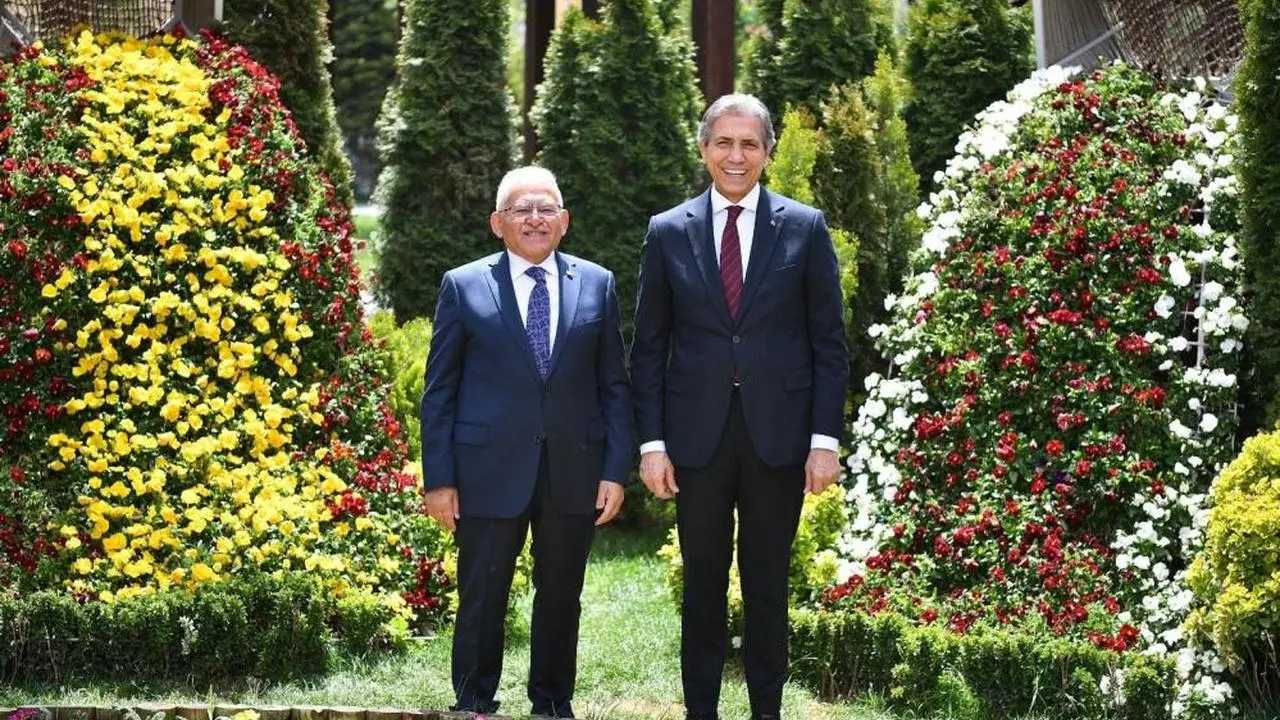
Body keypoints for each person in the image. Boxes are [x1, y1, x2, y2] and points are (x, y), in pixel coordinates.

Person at [630, 94, 849, 720]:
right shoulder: (668, 231)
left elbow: (829, 344)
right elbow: (649, 347)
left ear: (767, 152)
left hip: (778, 437)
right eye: (723, 142)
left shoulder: (804, 227)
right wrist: (652, 445)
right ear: (704, 150)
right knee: (702, 583)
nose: (736, 155)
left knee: (767, 584)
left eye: (749, 143)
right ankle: (700, 710)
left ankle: (766, 712)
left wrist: (824, 441)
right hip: (695, 440)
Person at [420, 166, 632, 718]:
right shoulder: (464, 286)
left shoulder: (598, 283)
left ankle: (553, 702)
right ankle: (473, 701)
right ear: (498, 223)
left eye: (546, 209)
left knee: (561, 594)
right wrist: (439, 480)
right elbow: (440, 391)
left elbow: (614, 386)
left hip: (574, 468)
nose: (535, 219)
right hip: (486, 471)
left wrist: (614, 471)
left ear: (564, 221)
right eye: (521, 209)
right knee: (483, 594)